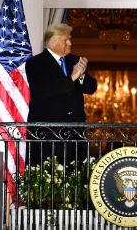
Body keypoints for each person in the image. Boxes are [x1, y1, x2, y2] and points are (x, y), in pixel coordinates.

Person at [26, 23, 97, 165]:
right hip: (48, 134)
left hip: (75, 133)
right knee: (51, 178)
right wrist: (72, 77)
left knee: (76, 175)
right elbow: (45, 91)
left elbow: (91, 88)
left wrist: (81, 75)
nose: (70, 43)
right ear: (54, 42)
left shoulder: (74, 60)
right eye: (66, 40)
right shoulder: (36, 63)